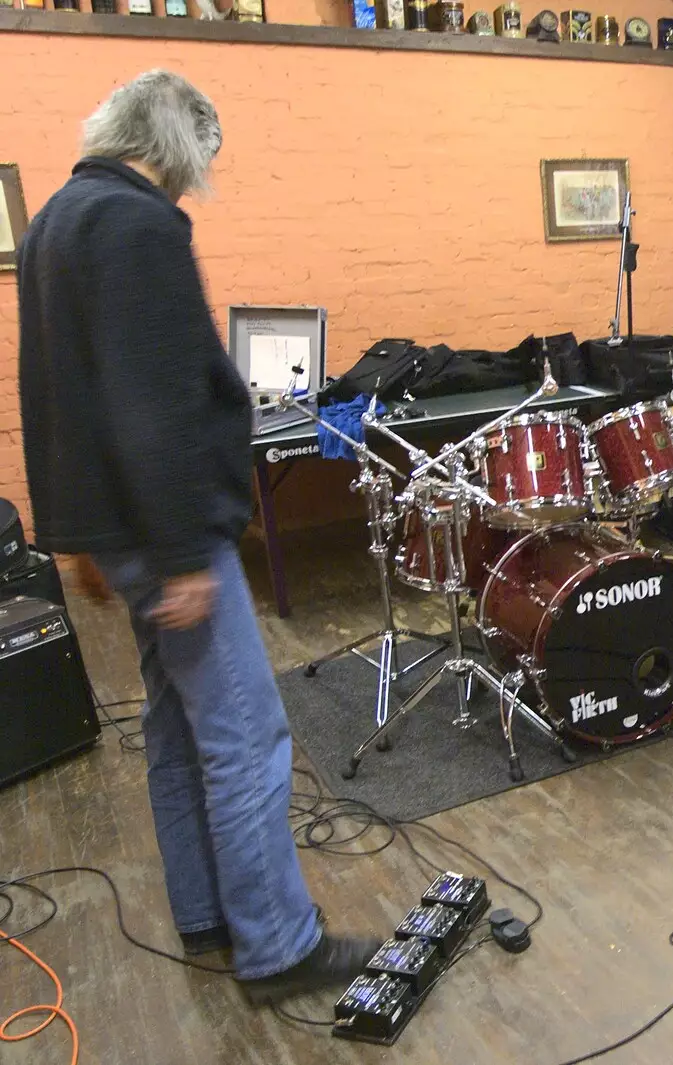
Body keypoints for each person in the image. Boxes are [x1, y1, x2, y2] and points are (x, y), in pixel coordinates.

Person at [17, 70, 382, 1003]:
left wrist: (81, 542)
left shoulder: (56, 218)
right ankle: (277, 947)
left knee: (175, 726)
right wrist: (183, 554)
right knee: (248, 737)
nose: (194, 186)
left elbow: (58, 399)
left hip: (120, 529)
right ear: (177, 143)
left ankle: (206, 911)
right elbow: (154, 406)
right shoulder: (140, 225)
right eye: (200, 163)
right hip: (167, 532)